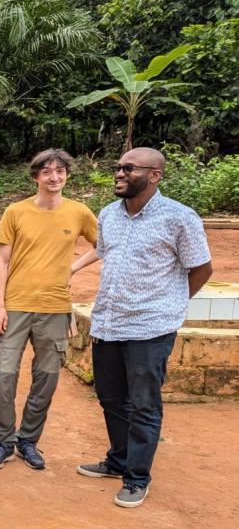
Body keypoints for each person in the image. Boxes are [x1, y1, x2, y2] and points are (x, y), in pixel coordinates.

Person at [76, 147, 212, 508]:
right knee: (110, 398)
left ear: (155, 176)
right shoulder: (108, 215)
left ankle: (137, 478)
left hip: (150, 328)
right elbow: (106, 253)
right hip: (108, 323)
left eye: (129, 168)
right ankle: (118, 461)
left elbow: (201, 268)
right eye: (118, 167)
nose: (119, 173)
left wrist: (171, 304)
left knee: (144, 406)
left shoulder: (179, 218)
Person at [0, 149, 98, 470]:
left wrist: (73, 268)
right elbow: (2, 261)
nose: (54, 177)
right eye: (47, 172)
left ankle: (28, 441)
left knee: (46, 378)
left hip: (55, 308)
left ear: (67, 176)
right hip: (15, 306)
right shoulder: (16, 212)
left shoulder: (78, 213)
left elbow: (103, 244)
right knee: (2, 377)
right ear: (36, 177)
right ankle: (3, 441)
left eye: (60, 172)